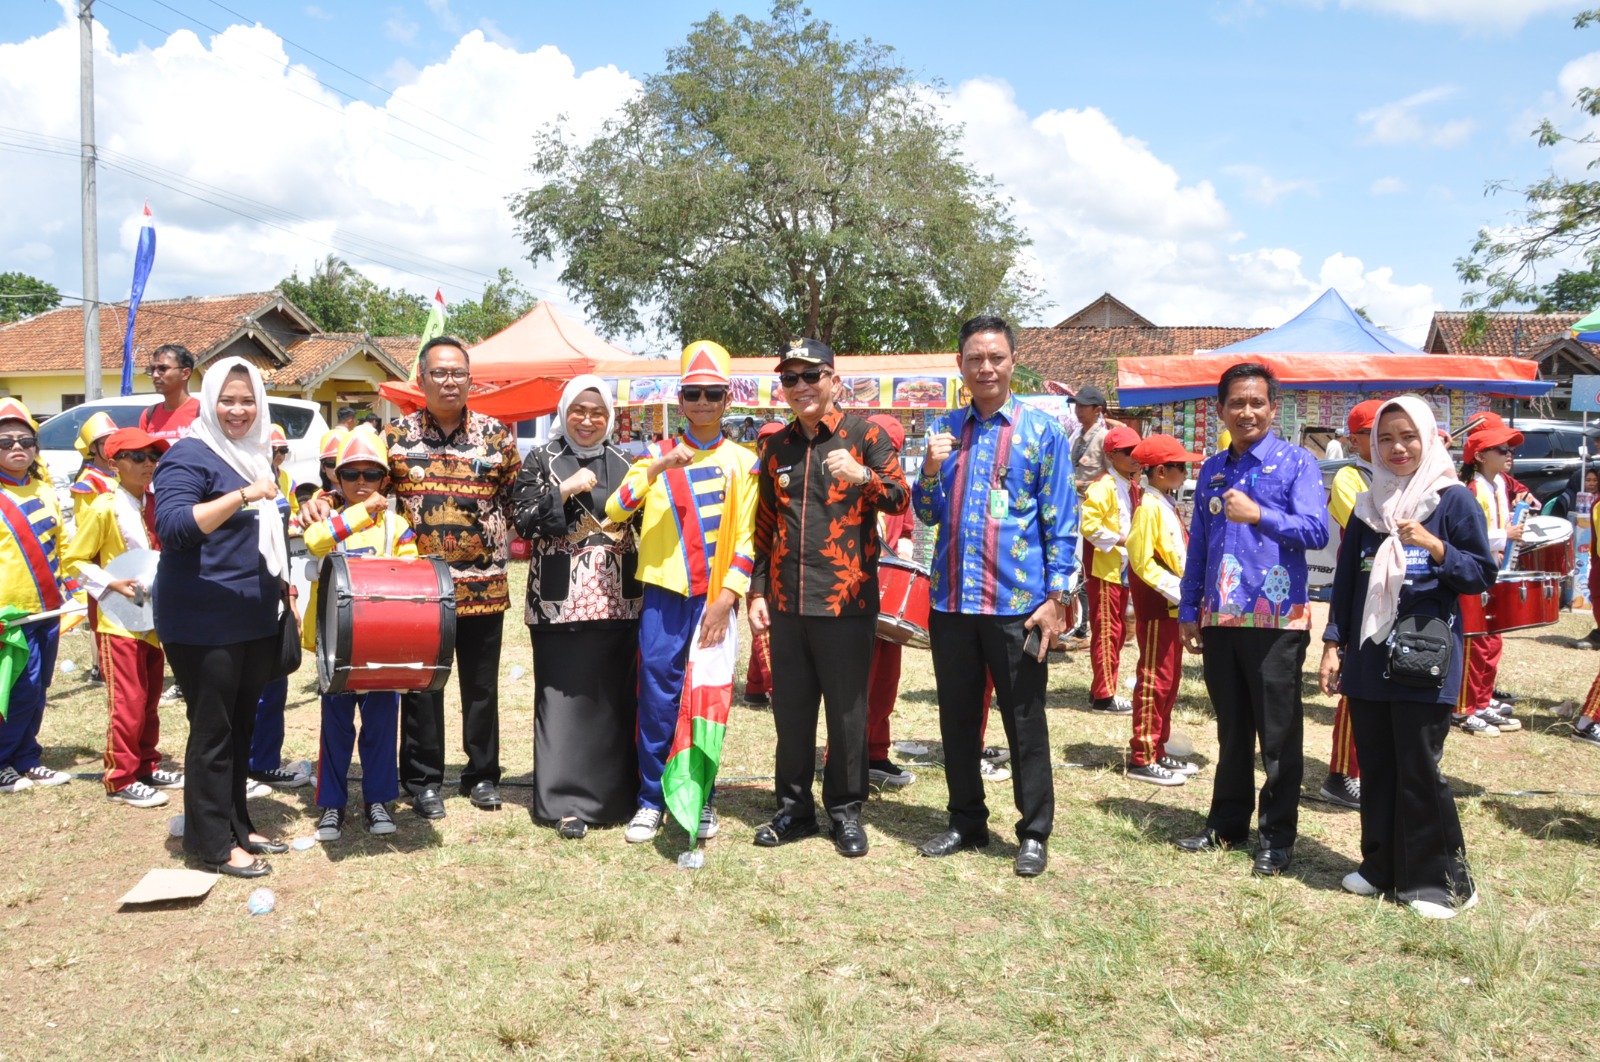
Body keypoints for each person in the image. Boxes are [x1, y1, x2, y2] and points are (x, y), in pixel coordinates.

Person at [304, 337, 521, 818]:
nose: (449, 381)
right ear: (420, 380)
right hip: (418, 593)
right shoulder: (396, 438)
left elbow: (516, 499)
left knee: (480, 689)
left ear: (471, 379)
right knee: (422, 687)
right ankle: (423, 781)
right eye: (439, 373)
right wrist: (319, 500)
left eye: (458, 373)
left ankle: (482, 776)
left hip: (484, 586)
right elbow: (362, 480)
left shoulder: (497, 436)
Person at [1318, 396, 1495, 919]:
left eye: (1408, 436)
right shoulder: (1368, 504)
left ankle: (1441, 882)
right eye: (1387, 438)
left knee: (1419, 767)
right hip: (1372, 654)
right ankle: (1381, 866)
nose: (1398, 448)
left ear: (1429, 439)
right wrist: (1333, 643)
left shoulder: (1453, 501)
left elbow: (1480, 574)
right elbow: (1348, 582)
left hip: (1424, 652)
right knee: (1376, 763)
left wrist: (1436, 547)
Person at [912, 316, 1076, 878]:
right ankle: (966, 821)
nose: (986, 367)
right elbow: (927, 512)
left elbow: (1062, 520)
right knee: (957, 720)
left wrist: (1057, 597)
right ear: (960, 365)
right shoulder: (943, 430)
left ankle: (1033, 831)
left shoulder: (1041, 432)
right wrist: (929, 470)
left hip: (1018, 607)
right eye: (975, 358)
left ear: (1012, 362)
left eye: (996, 358)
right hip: (953, 603)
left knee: (1024, 720)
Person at [747, 338, 908, 858]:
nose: (799, 388)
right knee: (790, 713)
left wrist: (863, 476)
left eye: (809, 376)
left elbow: (901, 495)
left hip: (847, 602)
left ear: (834, 381)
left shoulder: (867, 435)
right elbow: (765, 525)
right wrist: (756, 589)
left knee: (846, 714)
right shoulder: (775, 447)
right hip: (788, 604)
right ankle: (793, 809)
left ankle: (844, 811)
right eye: (789, 379)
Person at [1175, 362, 1328, 877]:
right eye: (1236, 403)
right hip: (1220, 620)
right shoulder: (1212, 469)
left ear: (1272, 407)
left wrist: (1260, 515)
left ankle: (1277, 837)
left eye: (1256, 402)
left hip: (1277, 621)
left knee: (1279, 736)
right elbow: (1199, 542)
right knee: (1232, 731)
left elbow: (1315, 531)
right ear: (1220, 410)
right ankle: (1226, 825)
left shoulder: (1297, 464)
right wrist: (1190, 607)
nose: (1246, 412)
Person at [607, 341, 757, 844]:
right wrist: (656, 469)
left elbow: (748, 541)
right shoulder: (651, 456)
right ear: (680, 396)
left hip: (715, 600)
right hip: (666, 597)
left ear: (727, 399)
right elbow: (614, 510)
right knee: (657, 697)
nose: (702, 403)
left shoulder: (745, 462)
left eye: (712, 394)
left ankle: (702, 795)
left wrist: (728, 597)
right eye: (693, 393)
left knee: (708, 698)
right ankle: (651, 799)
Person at [153, 357, 288, 878]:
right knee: (212, 732)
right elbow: (174, 528)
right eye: (228, 400)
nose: (238, 409)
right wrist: (242, 496)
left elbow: (265, 531)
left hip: (252, 614)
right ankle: (211, 844)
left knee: (240, 726)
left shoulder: (252, 454)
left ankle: (237, 824)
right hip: (203, 619)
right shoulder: (189, 455)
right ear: (210, 401)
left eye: (247, 399)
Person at [512, 376, 642, 840]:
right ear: (564, 412)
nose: (588, 421)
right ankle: (562, 804)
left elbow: (652, 519)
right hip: (557, 604)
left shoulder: (628, 462)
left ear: (610, 416)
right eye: (579, 411)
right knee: (561, 701)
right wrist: (562, 490)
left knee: (612, 700)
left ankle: (616, 799)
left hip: (617, 603)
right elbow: (521, 520)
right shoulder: (541, 459)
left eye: (598, 413)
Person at [302, 428, 416, 840]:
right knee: (335, 726)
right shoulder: (327, 518)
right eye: (352, 474)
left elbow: (411, 575)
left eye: (372, 474)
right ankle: (332, 805)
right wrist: (360, 512)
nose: (362, 482)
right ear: (337, 477)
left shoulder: (397, 524)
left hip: (380, 645)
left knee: (382, 726)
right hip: (336, 643)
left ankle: (379, 801)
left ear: (385, 478)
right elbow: (315, 543)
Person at [62, 426, 182, 807]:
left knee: (148, 699)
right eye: (138, 457)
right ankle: (120, 776)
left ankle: (146, 764)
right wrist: (109, 584)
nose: (149, 464)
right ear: (114, 463)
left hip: (150, 617)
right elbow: (73, 560)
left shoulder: (152, 501)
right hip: (118, 620)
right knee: (127, 701)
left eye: (153, 457)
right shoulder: (103, 506)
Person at [0, 398, 75, 794]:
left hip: (47, 609)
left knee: (39, 686)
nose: (17, 447)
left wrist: (75, 586)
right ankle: (2, 759)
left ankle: (26, 756)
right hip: (7, 615)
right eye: (5, 441)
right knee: (18, 687)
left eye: (25, 440)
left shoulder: (45, 489)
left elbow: (61, 544)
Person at [1124, 434, 1204, 786]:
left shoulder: (1163, 503)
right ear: (1160, 471)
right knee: (1155, 679)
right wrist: (1180, 593)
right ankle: (1142, 754)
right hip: (1160, 606)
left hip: (1172, 605)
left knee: (1169, 680)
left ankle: (1158, 748)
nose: (1185, 472)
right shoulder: (1149, 508)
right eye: (1180, 466)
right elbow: (1142, 562)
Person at [1320, 399, 1384, 810]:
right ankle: (1341, 773)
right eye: (1375, 434)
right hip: (1361, 587)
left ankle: (1368, 766)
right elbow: (1368, 521)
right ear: (1355, 439)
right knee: (1354, 681)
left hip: (1394, 586)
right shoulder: (1349, 476)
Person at [1453, 422, 1526, 735]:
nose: (1509, 454)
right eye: (1502, 449)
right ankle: (1463, 709)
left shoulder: (1498, 486)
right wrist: (1503, 536)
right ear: (1480, 456)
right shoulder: (1472, 489)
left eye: (1509, 449)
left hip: (1492, 569)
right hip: (1474, 571)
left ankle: (1482, 702)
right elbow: (1463, 534)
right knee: (1475, 642)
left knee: (1492, 639)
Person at [860, 412, 918, 788]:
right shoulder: (849, 476)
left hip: (889, 593)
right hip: (853, 594)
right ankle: (846, 759)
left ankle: (876, 753)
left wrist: (906, 561)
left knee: (885, 681)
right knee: (855, 683)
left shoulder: (898, 486)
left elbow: (908, 531)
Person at [1080, 424, 1143, 714]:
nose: (1135, 457)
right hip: (1106, 570)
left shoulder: (1130, 485)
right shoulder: (1104, 486)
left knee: (1116, 633)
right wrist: (1124, 540)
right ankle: (1104, 696)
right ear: (1112, 454)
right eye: (1129, 452)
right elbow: (1089, 526)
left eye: (1137, 451)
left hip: (1121, 569)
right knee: (1107, 632)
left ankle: (1101, 691)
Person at [741, 420, 788, 707]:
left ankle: (755, 689)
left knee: (766, 626)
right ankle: (775, 689)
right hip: (754, 562)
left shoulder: (785, 473)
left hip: (779, 561)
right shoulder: (751, 476)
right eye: (764, 442)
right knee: (764, 630)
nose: (768, 446)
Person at [139, 344, 202, 442]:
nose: (155, 375)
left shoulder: (202, 412)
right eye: (152, 369)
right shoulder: (149, 415)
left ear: (185, 373)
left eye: (162, 369)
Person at [70, 411, 120, 519]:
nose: (112, 447)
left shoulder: (119, 472)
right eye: (105, 443)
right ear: (93, 447)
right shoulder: (87, 482)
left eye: (114, 441)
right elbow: (84, 523)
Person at [1070, 384, 1111, 493]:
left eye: (1083, 406)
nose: (1078, 410)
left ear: (1097, 410)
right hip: (1073, 501)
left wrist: (1083, 484)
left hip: (1093, 504)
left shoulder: (1105, 439)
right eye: (1077, 405)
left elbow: (1111, 479)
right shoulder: (1076, 437)